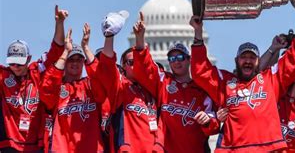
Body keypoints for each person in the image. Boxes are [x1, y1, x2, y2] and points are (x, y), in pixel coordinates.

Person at [190, 9, 295, 152]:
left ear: (258, 61)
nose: (248, 61)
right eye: (244, 57)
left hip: (268, 148)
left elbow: (294, 58)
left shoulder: (270, 79)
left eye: (252, 58)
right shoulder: (225, 82)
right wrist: (198, 32)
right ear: (236, 60)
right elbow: (200, 71)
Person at [132, 12, 219, 153]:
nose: (176, 61)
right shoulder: (163, 82)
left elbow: (214, 126)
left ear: (189, 59)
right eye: (172, 59)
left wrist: (206, 121)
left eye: (180, 57)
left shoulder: (202, 90)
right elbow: (144, 67)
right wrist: (140, 37)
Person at [0, 5, 67, 152]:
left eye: (20, 62)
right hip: (9, 145)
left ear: (28, 58)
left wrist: (59, 23)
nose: (16, 67)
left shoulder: (38, 71)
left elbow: (56, 49)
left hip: (36, 144)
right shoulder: (3, 75)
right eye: (12, 62)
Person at [97, 13, 161, 152]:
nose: (135, 65)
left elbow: (146, 64)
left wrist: (140, 38)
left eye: (137, 62)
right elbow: (107, 66)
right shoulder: (121, 87)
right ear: (123, 66)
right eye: (130, 62)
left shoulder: (151, 89)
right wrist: (109, 36)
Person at [40, 25, 107, 152]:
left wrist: (86, 48)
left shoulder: (90, 84)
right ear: (65, 62)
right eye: (71, 60)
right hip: (63, 148)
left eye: (78, 59)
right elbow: (46, 90)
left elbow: (103, 81)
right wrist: (65, 52)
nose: (75, 63)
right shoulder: (58, 89)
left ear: (83, 62)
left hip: (91, 148)